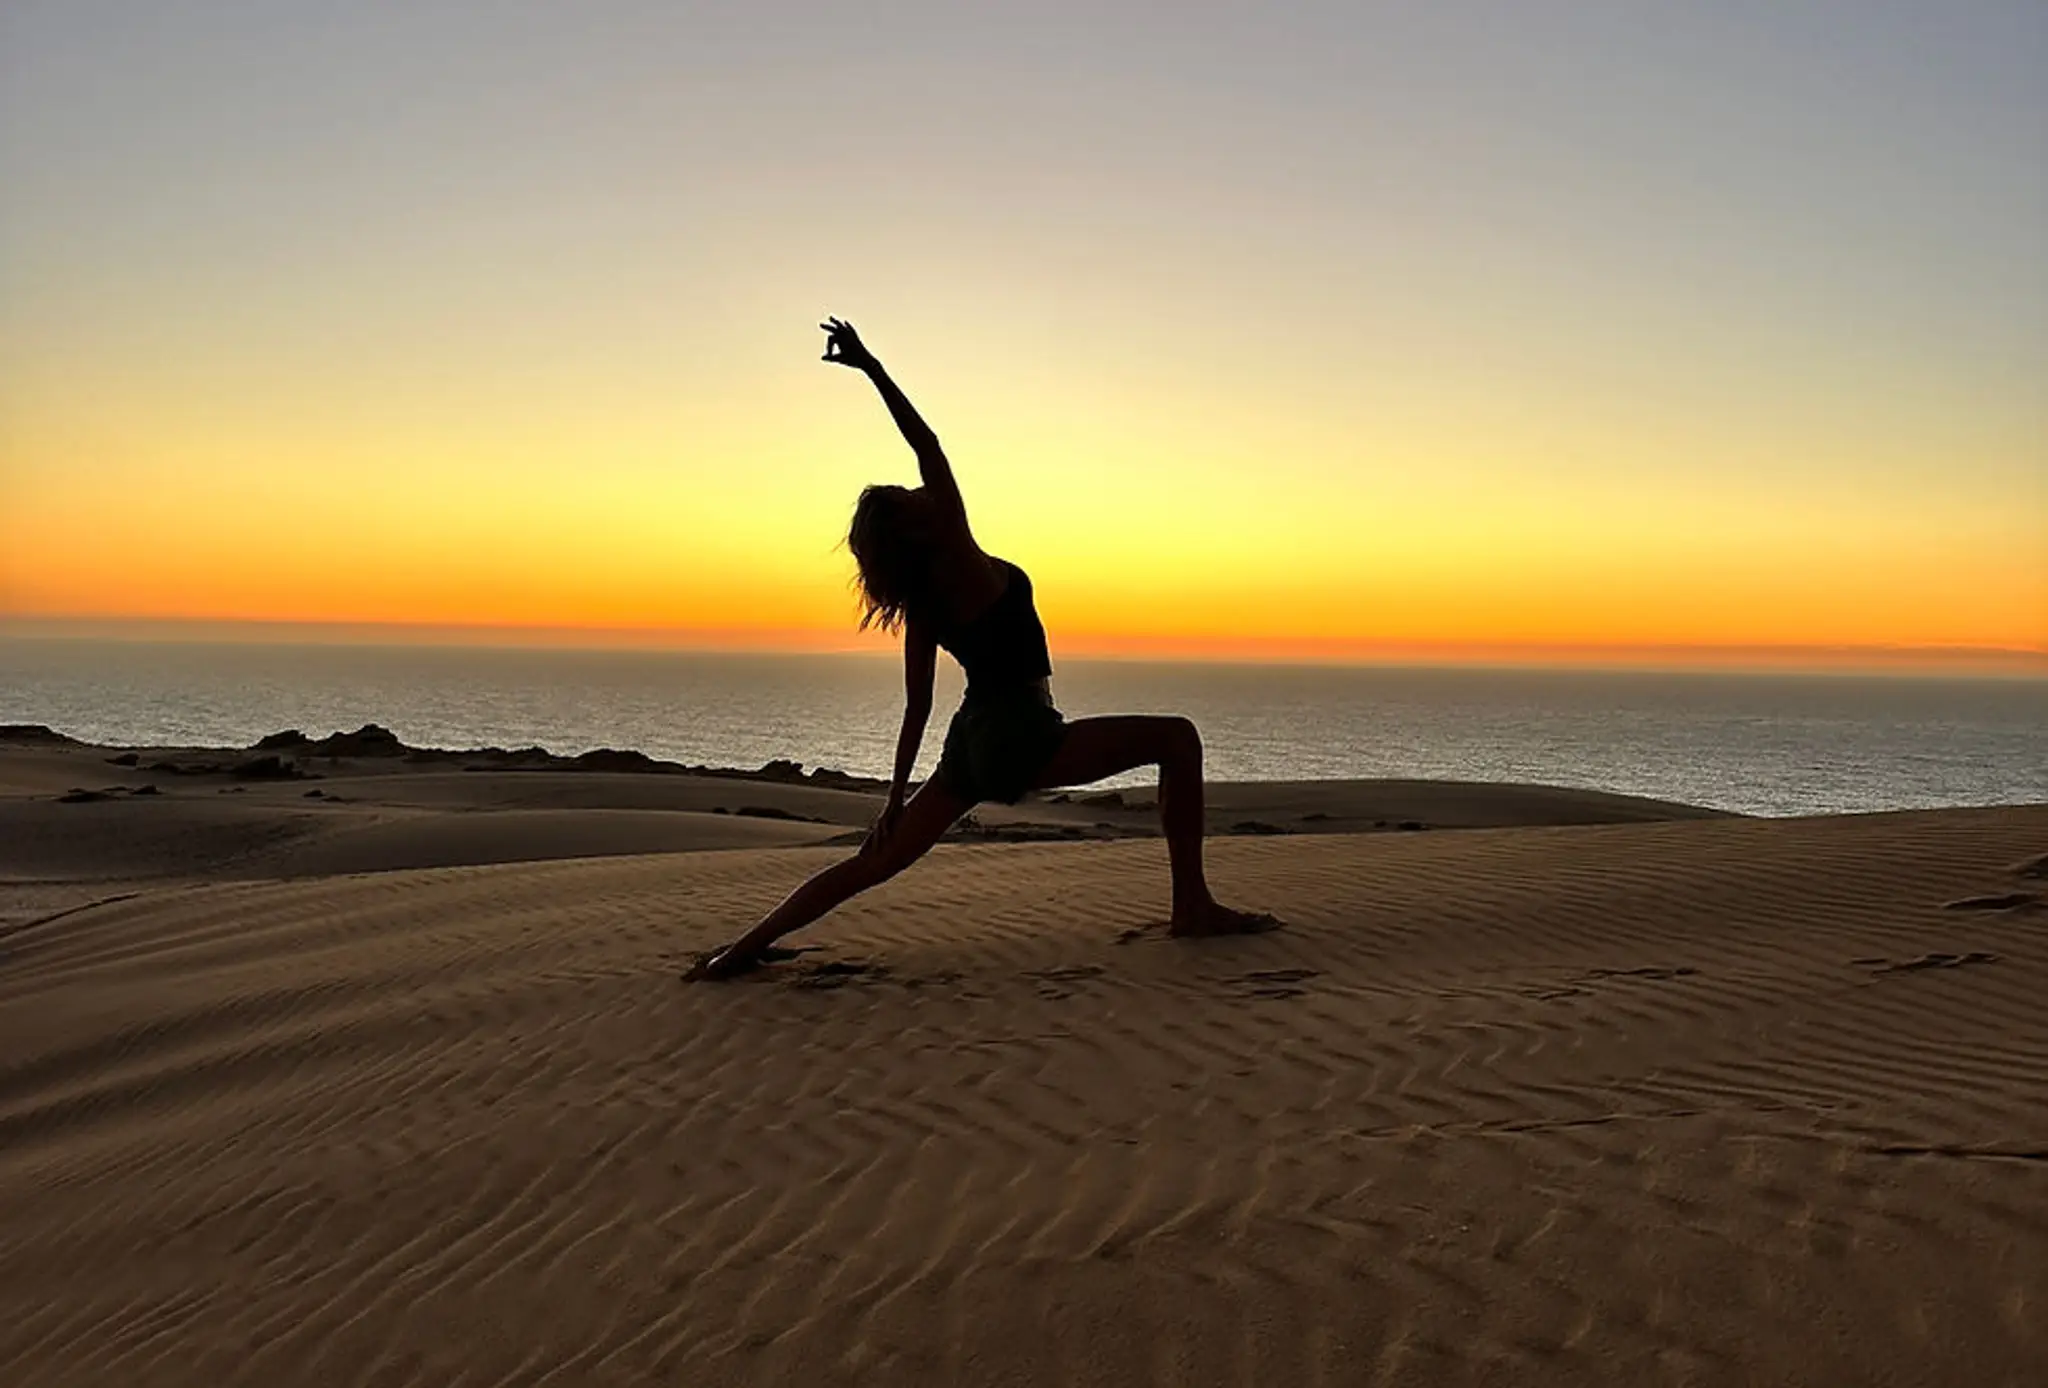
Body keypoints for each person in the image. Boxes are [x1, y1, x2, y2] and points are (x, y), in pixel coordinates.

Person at [687, 319, 1274, 980]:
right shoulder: (957, 547)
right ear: (917, 524)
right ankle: (1191, 906)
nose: (920, 489)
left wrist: (893, 800)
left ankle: (739, 951)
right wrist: (871, 367)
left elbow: (917, 707)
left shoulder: (922, 605)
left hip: (970, 742)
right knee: (1178, 740)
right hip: (1020, 731)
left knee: (874, 862)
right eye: (910, 496)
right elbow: (927, 443)